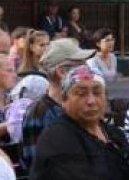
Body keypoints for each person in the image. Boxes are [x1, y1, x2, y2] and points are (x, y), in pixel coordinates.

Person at [17, 40, 94, 172]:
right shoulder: (40, 113)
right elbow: (39, 168)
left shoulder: (81, 107)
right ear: (62, 72)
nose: (89, 72)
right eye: (82, 67)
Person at [12, 29, 50, 97]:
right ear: (32, 47)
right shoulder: (25, 70)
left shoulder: (49, 66)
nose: (46, 48)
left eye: (48, 44)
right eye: (42, 45)